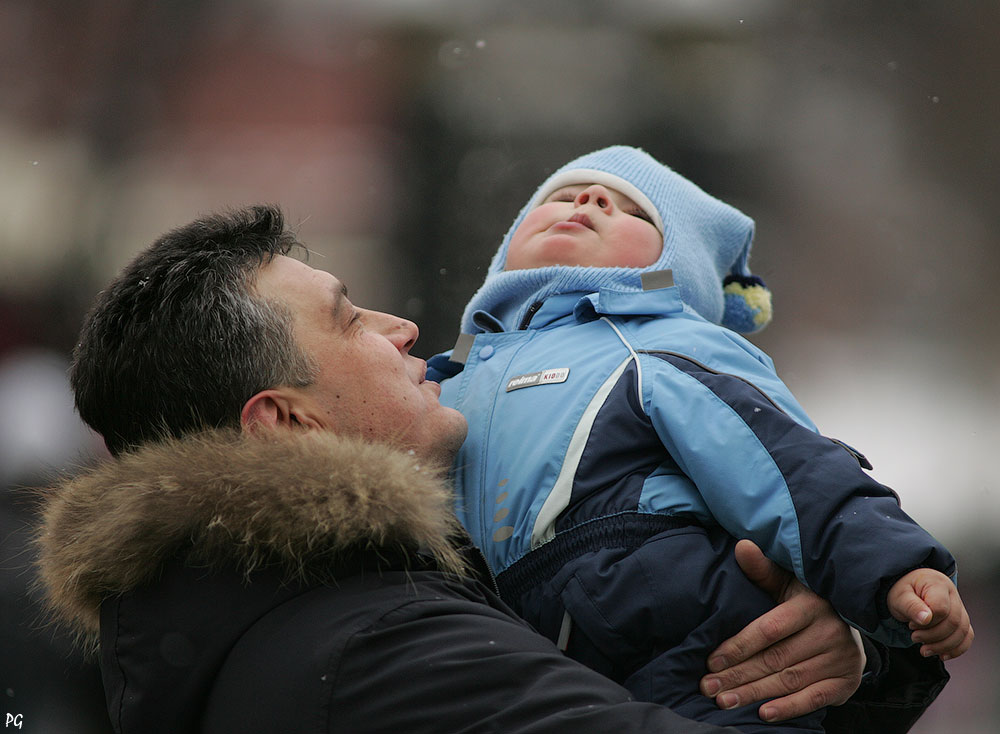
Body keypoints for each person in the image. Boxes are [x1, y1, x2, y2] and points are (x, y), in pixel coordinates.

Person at [35, 205, 927, 733]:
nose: (402, 329)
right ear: (284, 423)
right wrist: (866, 656)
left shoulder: (299, 611)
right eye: (350, 321)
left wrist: (848, 657)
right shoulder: (387, 658)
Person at [429, 146, 972, 732]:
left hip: (677, 634)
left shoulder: (662, 343)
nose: (588, 200)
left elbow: (787, 467)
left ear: (677, 269)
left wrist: (895, 569)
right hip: (510, 648)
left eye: (634, 212)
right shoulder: (442, 378)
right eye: (561, 196)